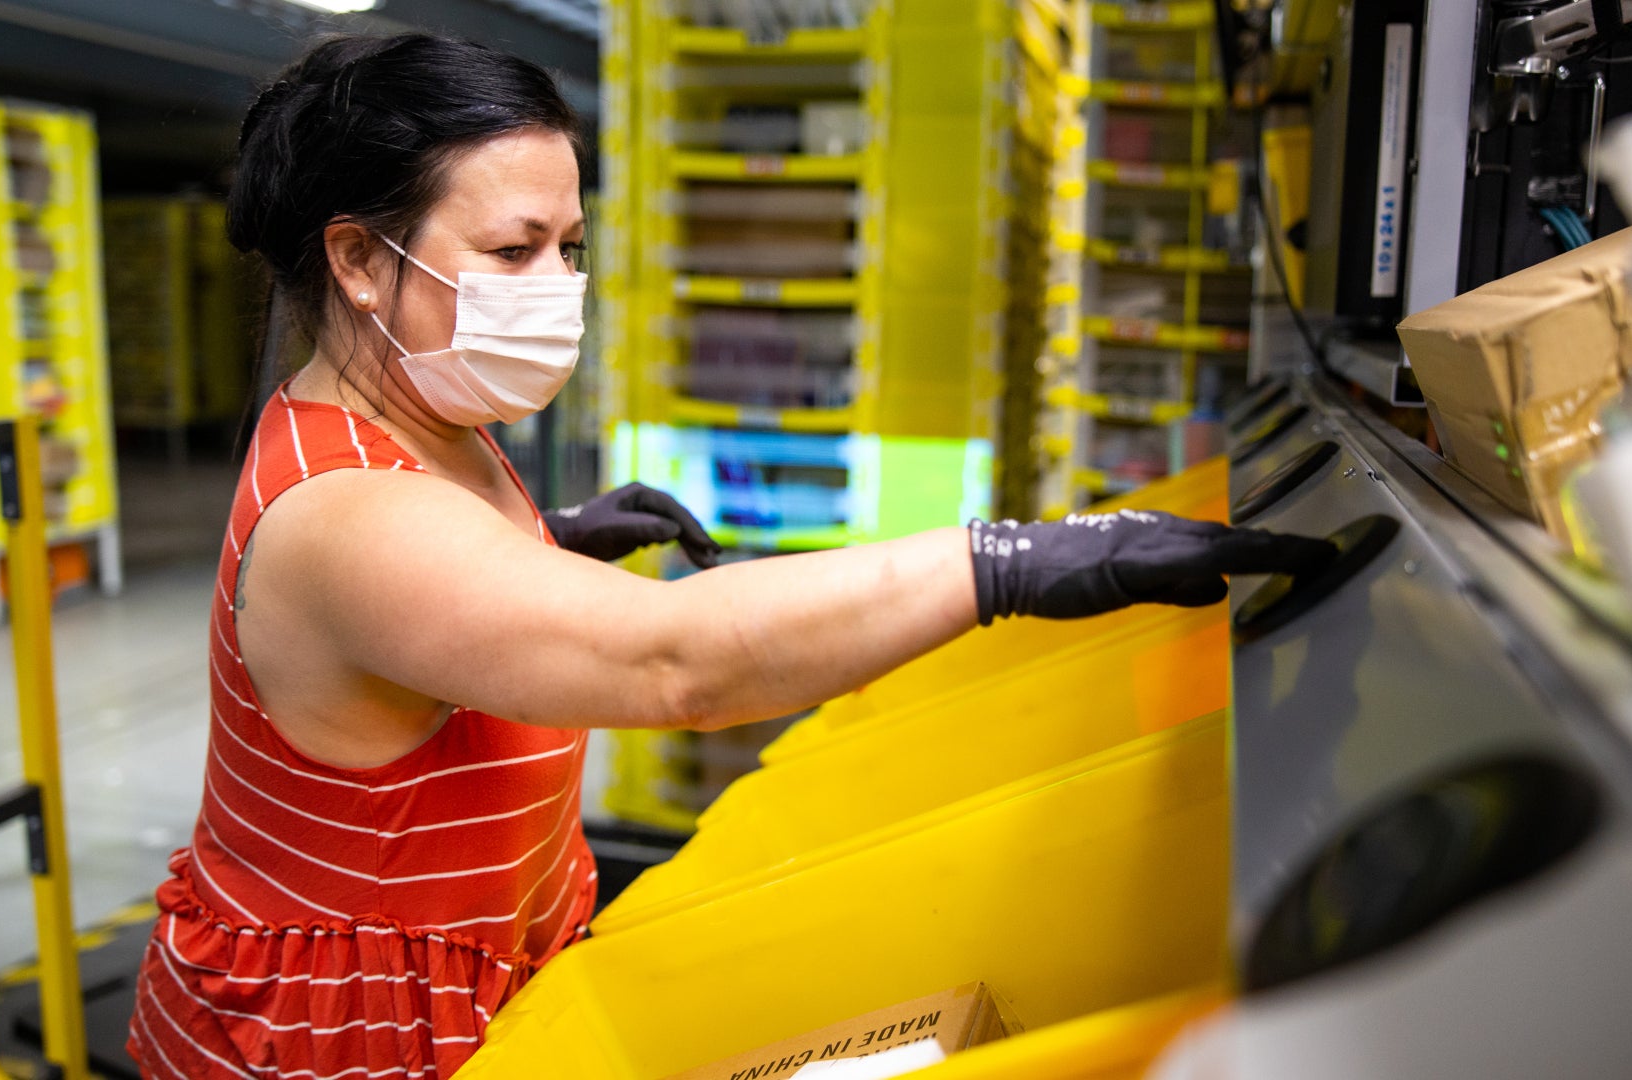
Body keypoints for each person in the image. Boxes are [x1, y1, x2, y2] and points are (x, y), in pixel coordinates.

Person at [127, 32, 1332, 1080]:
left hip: (471, 956)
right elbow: (675, 664)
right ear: (356, 260)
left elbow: (426, 607)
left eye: (571, 244)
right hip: (345, 1036)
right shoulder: (353, 516)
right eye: (513, 251)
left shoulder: (418, 423)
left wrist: (547, 542)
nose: (559, 287)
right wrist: (1009, 562)